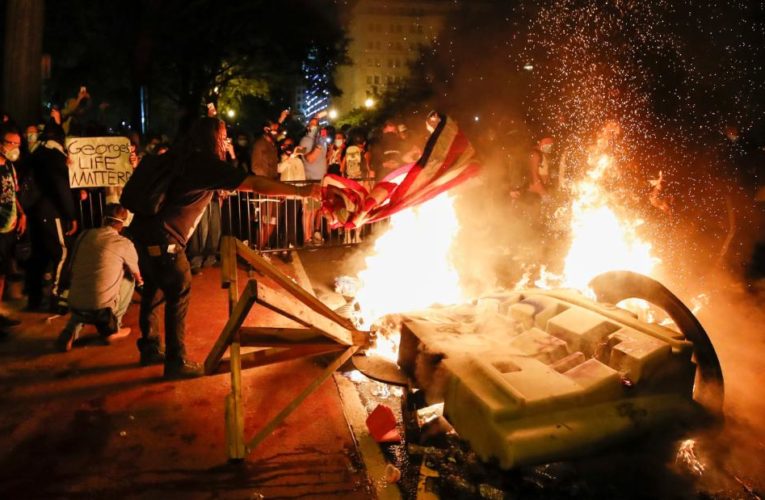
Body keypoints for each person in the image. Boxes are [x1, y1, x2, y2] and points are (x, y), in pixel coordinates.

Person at [129, 116, 320, 379]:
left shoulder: (176, 156)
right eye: (222, 137)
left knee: (154, 288)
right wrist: (303, 192)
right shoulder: (203, 163)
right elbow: (256, 184)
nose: (225, 141)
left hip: (141, 234)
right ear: (213, 139)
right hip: (165, 240)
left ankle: (149, 347)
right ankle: (176, 362)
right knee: (179, 289)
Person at [55, 204, 140, 352]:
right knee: (129, 278)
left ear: (103, 219)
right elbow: (138, 276)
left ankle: (69, 332)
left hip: (74, 302)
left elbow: (71, 265)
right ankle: (113, 328)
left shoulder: (84, 235)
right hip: (101, 309)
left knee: (87, 287)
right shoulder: (124, 243)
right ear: (122, 223)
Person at [25, 119, 78, 311]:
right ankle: (58, 297)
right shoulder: (55, 157)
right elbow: (60, 188)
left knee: (38, 254)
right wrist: (71, 215)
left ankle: (34, 297)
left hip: (36, 211)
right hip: (52, 210)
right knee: (62, 252)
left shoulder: (37, 153)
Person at [0, 126, 27, 331]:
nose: (15, 148)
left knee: (3, 273)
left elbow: (13, 194)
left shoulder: (9, 166)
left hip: (8, 228)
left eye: (18, 144)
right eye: (11, 143)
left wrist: (22, 213)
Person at [251, 121, 281, 249]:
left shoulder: (273, 146)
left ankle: (261, 249)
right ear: (266, 129)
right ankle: (258, 251)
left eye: (277, 130)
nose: (276, 132)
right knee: (264, 221)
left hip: (273, 188)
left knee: (272, 222)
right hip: (264, 188)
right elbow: (255, 167)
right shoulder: (259, 144)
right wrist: (268, 181)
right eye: (274, 129)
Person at [299, 117, 328, 245]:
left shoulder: (321, 141)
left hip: (319, 181)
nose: (314, 127)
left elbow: (324, 159)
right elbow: (309, 159)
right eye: (312, 124)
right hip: (310, 180)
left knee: (315, 210)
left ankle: (312, 233)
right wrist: (318, 147)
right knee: (308, 211)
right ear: (308, 127)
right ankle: (307, 237)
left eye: (317, 125)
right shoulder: (305, 140)